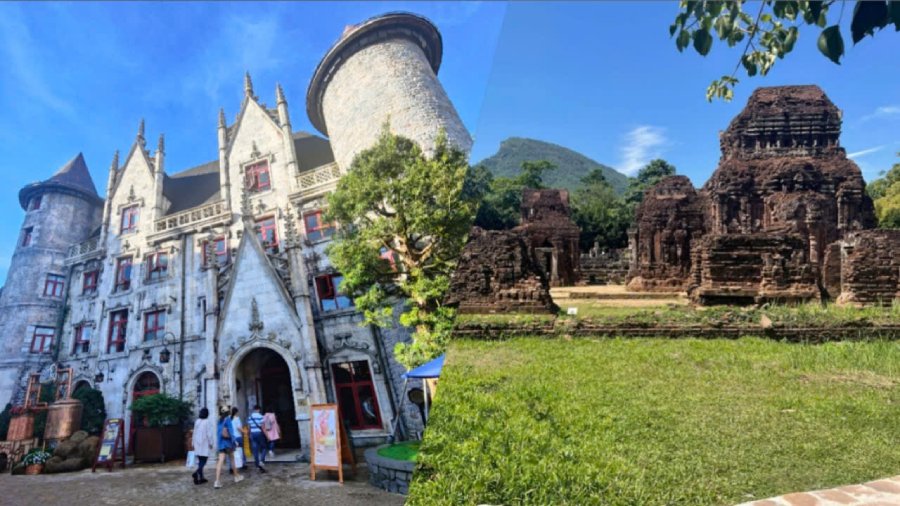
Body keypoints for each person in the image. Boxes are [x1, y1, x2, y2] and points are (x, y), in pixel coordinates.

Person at [214, 405, 244, 489]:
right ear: (228, 412)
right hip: (228, 443)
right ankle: (236, 476)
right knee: (232, 459)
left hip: (221, 444)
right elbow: (231, 432)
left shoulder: (219, 420)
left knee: (220, 461)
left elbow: (218, 433)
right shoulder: (228, 420)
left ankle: (217, 481)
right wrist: (235, 441)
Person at [191, 407, 216, 485]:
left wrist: (192, 443)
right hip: (204, 443)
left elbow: (194, 432)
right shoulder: (207, 422)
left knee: (200, 460)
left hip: (197, 443)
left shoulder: (197, 421)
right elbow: (209, 434)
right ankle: (197, 472)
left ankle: (201, 477)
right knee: (204, 460)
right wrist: (211, 443)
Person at [246, 404, 268, 472]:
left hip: (252, 434)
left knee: (255, 450)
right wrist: (267, 436)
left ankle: (257, 465)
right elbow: (263, 427)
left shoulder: (250, 417)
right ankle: (262, 460)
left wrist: (248, 434)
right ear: (258, 409)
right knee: (264, 447)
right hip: (259, 433)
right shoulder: (261, 416)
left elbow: (249, 427)